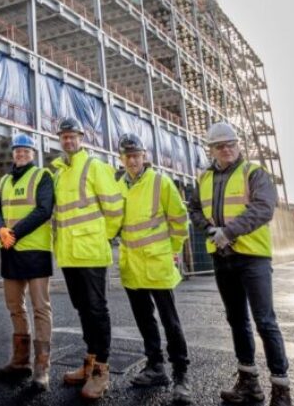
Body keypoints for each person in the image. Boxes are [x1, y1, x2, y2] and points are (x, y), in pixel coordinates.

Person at [188, 122, 292, 406]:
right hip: (223, 258)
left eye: (231, 144)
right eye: (220, 146)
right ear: (211, 150)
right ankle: (248, 383)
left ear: (238, 144)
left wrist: (228, 232)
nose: (227, 149)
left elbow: (263, 208)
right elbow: (194, 208)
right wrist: (210, 231)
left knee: (265, 321)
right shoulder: (204, 178)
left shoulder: (254, 173)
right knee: (237, 320)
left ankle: (281, 389)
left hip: (252, 257)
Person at [114, 133, 192, 402]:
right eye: (128, 156)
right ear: (121, 159)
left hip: (158, 263)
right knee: (145, 320)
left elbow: (180, 220)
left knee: (171, 322)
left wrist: (173, 250)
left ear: (144, 156)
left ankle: (181, 376)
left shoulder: (161, 182)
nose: (133, 160)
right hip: (132, 266)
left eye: (137, 155)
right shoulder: (119, 186)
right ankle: (155, 366)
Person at [52, 117, 124, 400]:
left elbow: (115, 207)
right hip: (70, 256)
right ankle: (90, 361)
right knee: (82, 309)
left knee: (96, 309)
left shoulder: (95, 167)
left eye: (72, 136)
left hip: (91, 253)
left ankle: (102, 370)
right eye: (64, 136)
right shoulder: (59, 174)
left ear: (81, 138)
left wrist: (101, 236)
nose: (68, 141)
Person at [0, 133, 55, 390]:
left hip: (35, 251)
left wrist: (14, 232)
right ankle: (20, 361)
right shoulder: (5, 179)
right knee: (14, 307)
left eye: (26, 150)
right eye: (17, 150)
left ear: (33, 154)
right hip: (10, 251)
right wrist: (0, 230)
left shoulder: (42, 176)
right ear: (13, 153)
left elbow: (43, 210)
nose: (21, 154)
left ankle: (42, 368)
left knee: (40, 307)